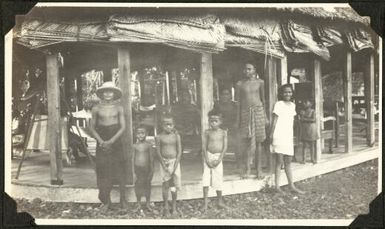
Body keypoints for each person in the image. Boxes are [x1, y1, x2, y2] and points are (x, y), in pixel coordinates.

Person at [89, 81, 127, 210]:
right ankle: (106, 201)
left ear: (115, 93)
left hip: (116, 140)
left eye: (110, 91)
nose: (108, 93)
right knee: (103, 170)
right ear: (101, 94)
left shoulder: (119, 108)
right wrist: (101, 141)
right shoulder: (96, 108)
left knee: (120, 169)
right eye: (105, 91)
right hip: (102, 140)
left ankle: (123, 200)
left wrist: (111, 141)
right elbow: (92, 128)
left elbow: (123, 127)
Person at [270, 84, 305, 194]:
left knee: (288, 161)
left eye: (289, 92)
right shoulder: (278, 104)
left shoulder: (293, 105)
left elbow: (292, 122)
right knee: (279, 162)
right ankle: (277, 186)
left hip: (288, 135)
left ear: (292, 93)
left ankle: (291, 186)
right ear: (281, 93)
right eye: (285, 92)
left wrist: (295, 136)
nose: (287, 94)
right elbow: (275, 120)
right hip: (279, 135)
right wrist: (271, 134)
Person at [236, 62, 267, 178]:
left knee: (258, 142)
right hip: (245, 113)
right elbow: (239, 103)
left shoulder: (260, 82)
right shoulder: (240, 84)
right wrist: (237, 119)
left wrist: (265, 116)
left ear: (254, 70)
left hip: (258, 112)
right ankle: (247, 168)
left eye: (249, 69)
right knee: (246, 142)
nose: (247, 71)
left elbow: (263, 100)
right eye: (245, 69)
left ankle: (258, 169)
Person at [155, 115, 182, 216]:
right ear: (162, 125)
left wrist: (175, 165)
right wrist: (164, 165)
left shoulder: (176, 136)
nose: (168, 127)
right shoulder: (159, 137)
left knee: (174, 185)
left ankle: (174, 206)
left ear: (173, 125)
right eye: (166, 125)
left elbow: (179, 152)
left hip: (175, 162)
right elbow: (158, 152)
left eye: (170, 125)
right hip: (164, 163)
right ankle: (166, 206)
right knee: (166, 184)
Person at [202, 109, 228, 212]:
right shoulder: (207, 132)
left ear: (220, 121)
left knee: (218, 178)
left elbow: (225, 147)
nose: (213, 123)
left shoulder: (223, 132)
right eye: (211, 120)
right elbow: (204, 146)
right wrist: (207, 159)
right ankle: (205, 203)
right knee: (206, 179)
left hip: (218, 157)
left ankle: (220, 201)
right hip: (208, 156)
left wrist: (219, 159)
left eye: (216, 121)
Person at [216, 88, 239, 168]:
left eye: (227, 94)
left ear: (230, 96)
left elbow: (238, 116)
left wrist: (236, 123)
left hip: (233, 126)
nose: (225, 96)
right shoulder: (218, 105)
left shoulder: (234, 105)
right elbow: (215, 116)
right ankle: (219, 160)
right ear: (221, 96)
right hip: (222, 126)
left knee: (237, 143)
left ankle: (238, 161)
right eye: (223, 94)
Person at [133, 125, 154, 211]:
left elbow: (151, 159)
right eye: (138, 133)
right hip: (137, 169)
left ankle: (148, 203)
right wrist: (133, 172)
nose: (140, 135)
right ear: (135, 135)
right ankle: (138, 203)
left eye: (142, 133)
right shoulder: (134, 146)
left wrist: (152, 170)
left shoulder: (149, 145)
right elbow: (132, 159)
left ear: (146, 134)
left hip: (147, 169)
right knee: (138, 185)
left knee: (147, 185)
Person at [299, 99, 319, 164]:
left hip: (311, 129)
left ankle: (312, 159)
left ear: (311, 104)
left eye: (306, 102)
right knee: (304, 145)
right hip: (305, 129)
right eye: (304, 102)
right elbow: (301, 120)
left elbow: (313, 119)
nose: (304, 103)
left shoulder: (313, 111)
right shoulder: (302, 111)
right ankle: (304, 159)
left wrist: (304, 118)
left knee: (312, 145)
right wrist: (303, 117)